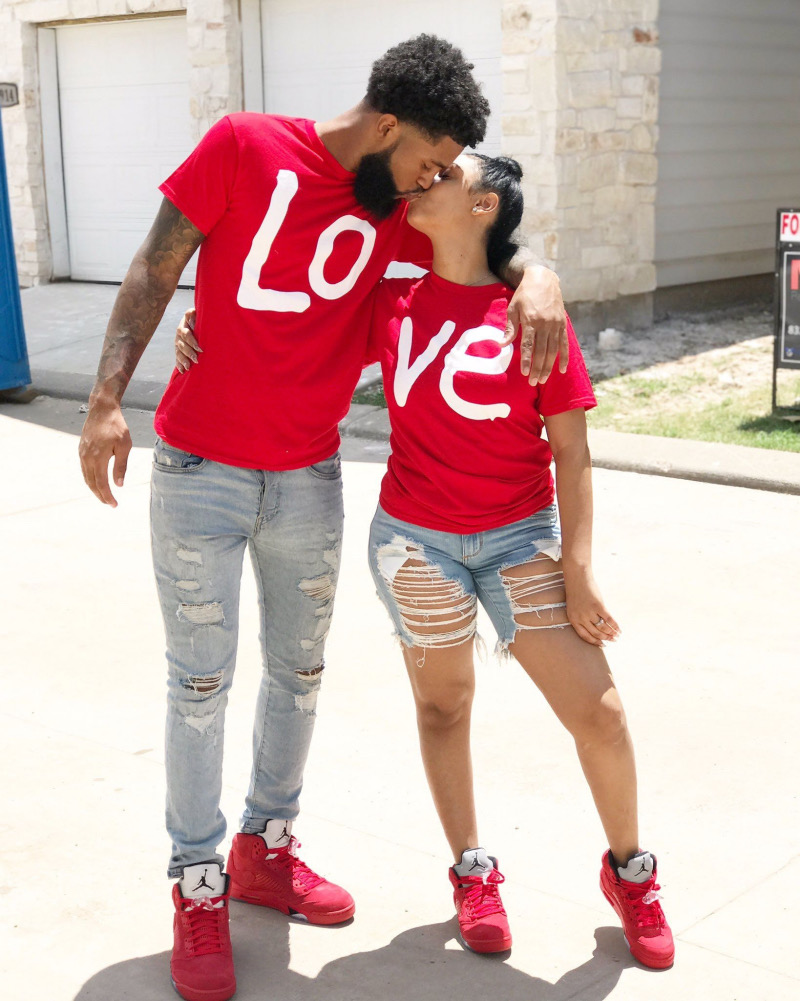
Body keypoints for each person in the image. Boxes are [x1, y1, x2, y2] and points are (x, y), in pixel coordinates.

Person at [77, 34, 569, 1001]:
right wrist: (103, 403)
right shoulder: (242, 144)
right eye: (429, 156)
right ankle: (199, 881)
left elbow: (483, 245)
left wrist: (540, 272)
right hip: (199, 471)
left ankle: (266, 845)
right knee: (200, 682)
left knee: (299, 675)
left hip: (307, 476)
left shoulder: (394, 211)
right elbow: (154, 263)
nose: (434, 177)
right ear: (386, 124)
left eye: (442, 170)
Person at [176, 151, 674, 971]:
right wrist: (201, 322)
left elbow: (572, 451)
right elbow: (289, 325)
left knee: (600, 713)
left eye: (443, 176)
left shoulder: (532, 314)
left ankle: (632, 872)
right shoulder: (389, 301)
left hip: (519, 538)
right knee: (444, 708)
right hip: (417, 544)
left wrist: (579, 567)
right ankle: (472, 872)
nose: (420, 181)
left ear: (483, 205)